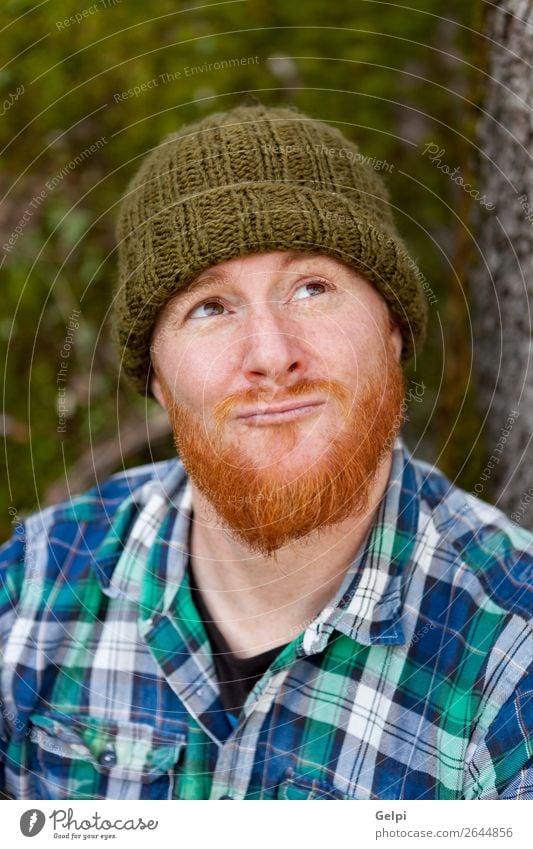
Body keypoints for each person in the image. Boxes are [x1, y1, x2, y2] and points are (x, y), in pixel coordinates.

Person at [1, 102, 531, 801]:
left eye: (311, 288)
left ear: (392, 331)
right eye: (210, 307)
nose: (272, 355)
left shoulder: (510, 654)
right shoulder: (34, 587)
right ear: (158, 376)